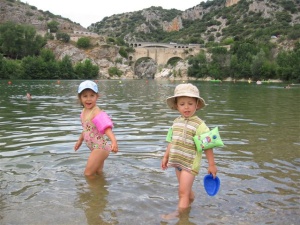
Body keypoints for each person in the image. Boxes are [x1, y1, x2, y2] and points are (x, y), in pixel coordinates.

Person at [161, 83, 217, 218]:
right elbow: (171, 141)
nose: (186, 107)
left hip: (190, 164)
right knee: (184, 190)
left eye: (190, 103)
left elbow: (207, 146)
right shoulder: (176, 122)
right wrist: (166, 156)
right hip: (177, 161)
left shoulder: (200, 125)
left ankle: (181, 215)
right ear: (176, 106)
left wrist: (211, 165)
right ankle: (190, 199)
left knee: (182, 192)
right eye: (182, 104)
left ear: (197, 105)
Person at [74, 80, 118, 177]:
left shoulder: (96, 112)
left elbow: (106, 127)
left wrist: (113, 141)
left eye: (92, 95)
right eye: (85, 96)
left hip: (100, 148)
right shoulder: (84, 112)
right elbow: (86, 129)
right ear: (80, 98)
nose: (88, 99)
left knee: (88, 174)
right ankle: (101, 190)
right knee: (98, 173)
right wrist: (79, 141)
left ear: (97, 97)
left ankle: (94, 190)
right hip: (95, 148)